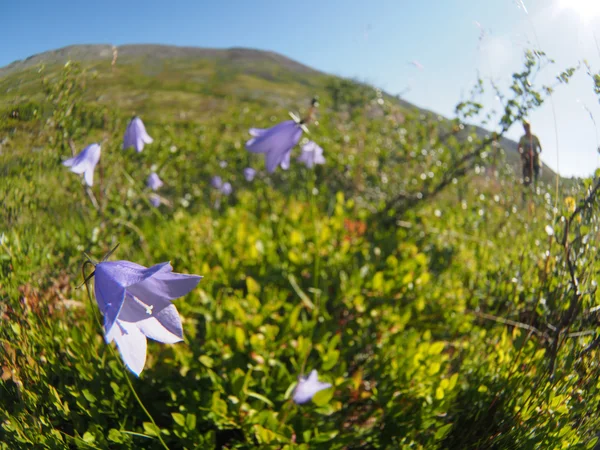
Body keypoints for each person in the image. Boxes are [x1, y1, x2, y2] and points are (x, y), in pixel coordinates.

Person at [518, 120, 542, 186]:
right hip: (526, 161)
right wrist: (523, 153)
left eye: (527, 126)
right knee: (526, 180)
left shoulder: (535, 138)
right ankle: (526, 192)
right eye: (525, 127)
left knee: (536, 180)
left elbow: (540, 149)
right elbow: (519, 148)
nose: (526, 128)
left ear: (530, 127)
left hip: (536, 162)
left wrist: (536, 154)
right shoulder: (522, 138)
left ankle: (535, 192)